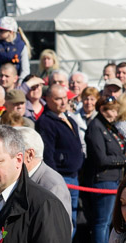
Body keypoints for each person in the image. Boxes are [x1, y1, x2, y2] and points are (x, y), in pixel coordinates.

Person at [84, 96, 126, 243]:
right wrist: (125, 158)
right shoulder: (95, 127)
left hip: (115, 179)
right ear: (102, 109)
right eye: (111, 110)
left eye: (116, 109)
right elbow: (101, 158)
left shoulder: (109, 127)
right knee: (102, 222)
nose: (115, 113)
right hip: (103, 181)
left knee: (111, 222)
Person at [36, 85, 84, 235]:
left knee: (72, 221)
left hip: (73, 177)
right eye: (58, 99)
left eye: (65, 98)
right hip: (61, 178)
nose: (63, 102)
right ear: (48, 100)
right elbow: (48, 155)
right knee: (62, 223)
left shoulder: (68, 117)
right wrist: (56, 179)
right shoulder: (45, 122)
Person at [0, 17, 30, 83]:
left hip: (17, 82)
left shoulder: (21, 46)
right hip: (1, 81)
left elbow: (25, 70)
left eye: (1, 31)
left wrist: (20, 83)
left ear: (11, 32)